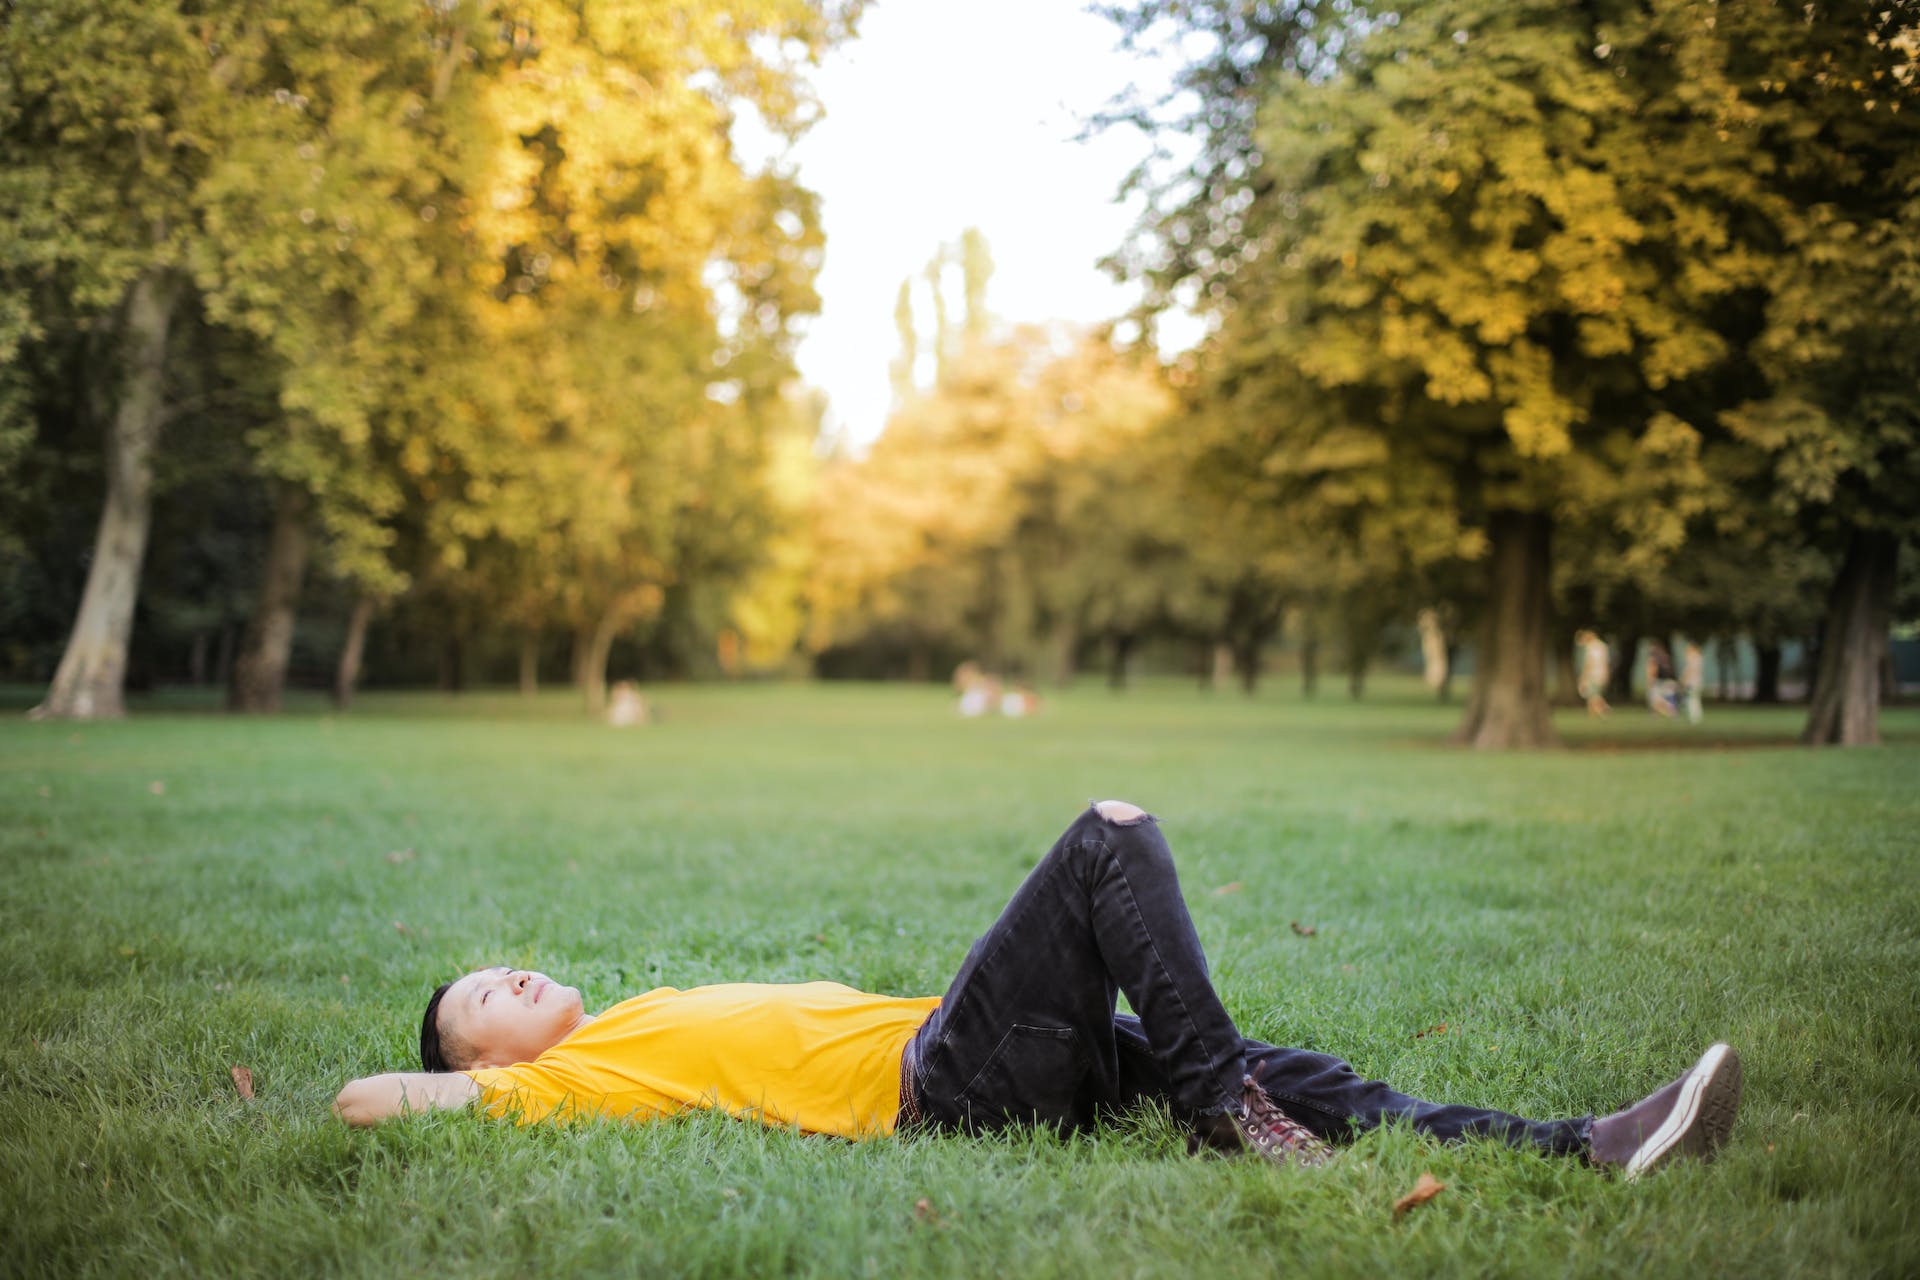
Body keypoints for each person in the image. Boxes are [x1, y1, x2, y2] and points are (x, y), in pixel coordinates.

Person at [333, 802, 1743, 1179]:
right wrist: (462, 1083)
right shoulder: (569, 1082)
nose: (509, 976)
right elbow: (359, 1101)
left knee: (1304, 1079)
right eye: (484, 1000)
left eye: (497, 968)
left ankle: (1590, 1143)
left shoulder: (635, 1015)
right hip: (950, 1083)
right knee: (1107, 838)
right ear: (491, 1064)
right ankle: (1217, 1102)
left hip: (987, 1057)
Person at [1575, 630, 1612, 718]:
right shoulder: (1603, 646)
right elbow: (1606, 662)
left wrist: (1584, 675)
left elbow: (1589, 663)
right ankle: (1594, 713)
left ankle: (1603, 709)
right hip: (1601, 673)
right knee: (1594, 694)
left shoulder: (1590, 647)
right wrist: (1607, 674)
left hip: (1592, 674)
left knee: (1592, 695)